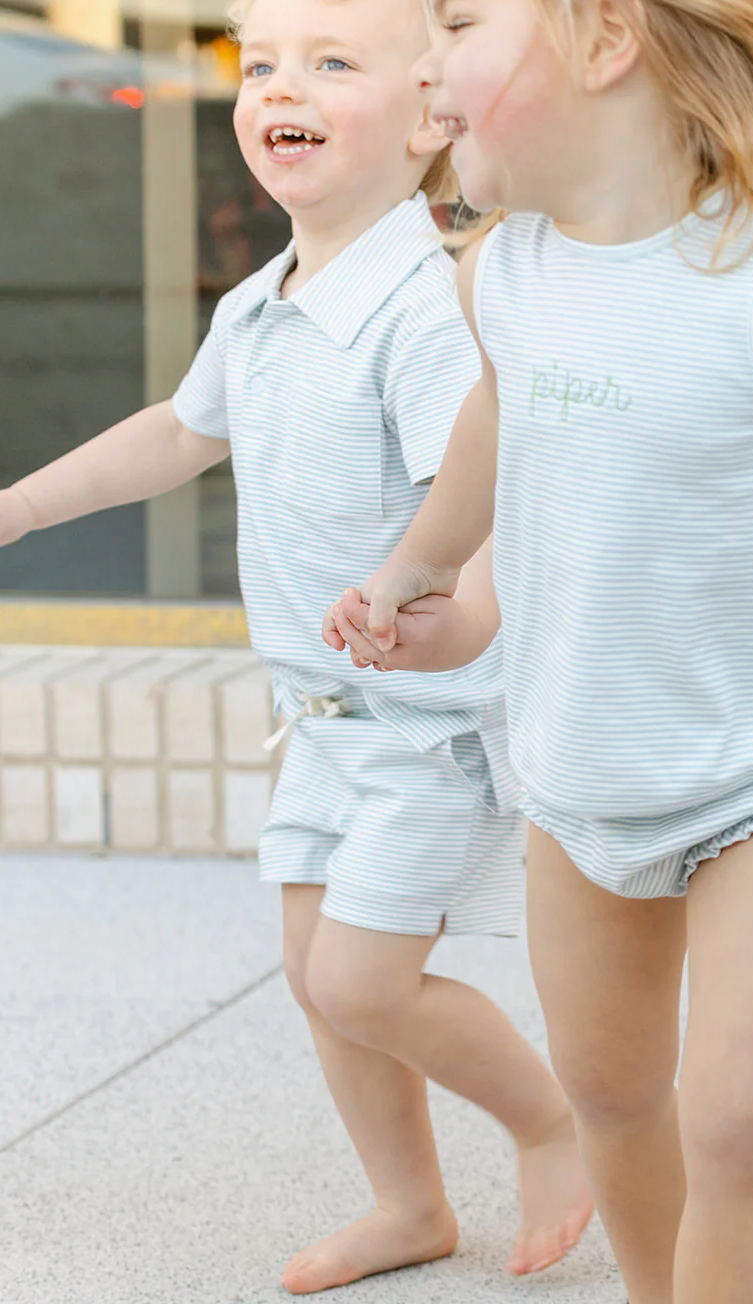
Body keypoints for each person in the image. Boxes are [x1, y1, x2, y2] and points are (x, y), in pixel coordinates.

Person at [323, 2, 753, 1301]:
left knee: (744, 1114)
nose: (425, 60)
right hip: (579, 767)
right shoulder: (500, 275)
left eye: (460, 20)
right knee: (613, 1094)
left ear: (606, 42)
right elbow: (501, 428)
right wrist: (436, 589)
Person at [0, 0, 592, 1293]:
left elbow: (481, 482)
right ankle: (410, 1206)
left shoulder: (424, 309)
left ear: (430, 117)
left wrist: (439, 602)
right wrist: (27, 505)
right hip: (320, 725)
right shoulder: (263, 306)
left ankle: (553, 1123)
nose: (283, 86)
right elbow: (177, 432)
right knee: (317, 975)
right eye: (258, 63)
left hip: (427, 725)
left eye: (332, 62)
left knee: (367, 978)